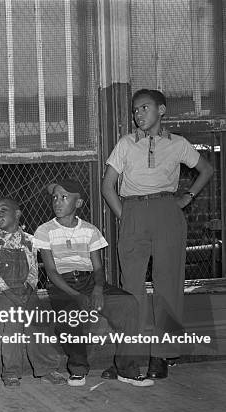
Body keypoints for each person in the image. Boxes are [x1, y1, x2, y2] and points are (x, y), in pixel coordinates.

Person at [102, 89, 214, 379]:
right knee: (131, 290)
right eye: (135, 110)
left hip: (167, 212)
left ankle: (162, 357)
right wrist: (125, 217)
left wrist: (187, 197)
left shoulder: (178, 144)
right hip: (133, 213)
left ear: (161, 110)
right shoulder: (126, 144)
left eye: (145, 108)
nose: (138, 114)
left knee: (168, 286)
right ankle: (128, 358)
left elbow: (206, 169)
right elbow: (108, 185)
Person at [34, 179, 154, 387]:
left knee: (129, 304)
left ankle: (127, 369)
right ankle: (78, 369)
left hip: (89, 281)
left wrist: (98, 288)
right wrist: (76, 296)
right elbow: (52, 273)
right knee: (70, 315)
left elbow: (98, 267)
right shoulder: (45, 231)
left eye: (64, 197)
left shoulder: (90, 230)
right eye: (54, 197)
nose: (57, 202)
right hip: (62, 284)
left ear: (78, 203)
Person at [0, 198, 67, 387]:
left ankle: (47, 368)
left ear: (17, 214)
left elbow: (33, 271)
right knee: (14, 319)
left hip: (25, 289)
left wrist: (29, 289)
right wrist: (12, 295)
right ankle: (11, 372)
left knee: (37, 320)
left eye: (3, 210)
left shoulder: (29, 240)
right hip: (1, 291)